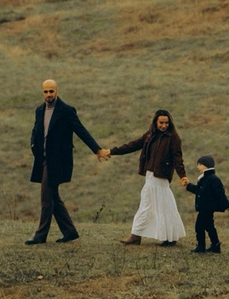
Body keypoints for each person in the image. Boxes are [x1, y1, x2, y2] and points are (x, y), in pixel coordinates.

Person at [26, 78, 100, 244]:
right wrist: (34, 146)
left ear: (57, 91)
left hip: (58, 162)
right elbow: (36, 131)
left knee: (46, 198)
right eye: (46, 91)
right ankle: (70, 231)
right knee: (53, 197)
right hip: (43, 159)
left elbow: (81, 131)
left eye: (51, 91)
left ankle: (40, 235)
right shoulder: (39, 110)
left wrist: (97, 149)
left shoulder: (66, 110)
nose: (48, 94)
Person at [104, 109, 187, 246]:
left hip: (161, 177)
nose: (164, 126)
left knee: (147, 204)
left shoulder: (173, 138)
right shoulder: (150, 135)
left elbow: (177, 158)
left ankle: (136, 235)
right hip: (150, 175)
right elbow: (133, 145)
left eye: (166, 123)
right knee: (162, 206)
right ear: (155, 122)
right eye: (161, 123)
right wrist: (112, 151)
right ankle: (169, 237)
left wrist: (182, 175)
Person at [186, 154, 229, 254]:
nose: (198, 167)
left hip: (207, 208)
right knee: (209, 226)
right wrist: (188, 185)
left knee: (199, 226)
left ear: (207, 165)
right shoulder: (204, 178)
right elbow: (199, 191)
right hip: (204, 208)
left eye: (200, 164)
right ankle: (215, 245)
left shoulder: (212, 179)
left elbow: (220, 193)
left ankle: (201, 246)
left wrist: (225, 205)